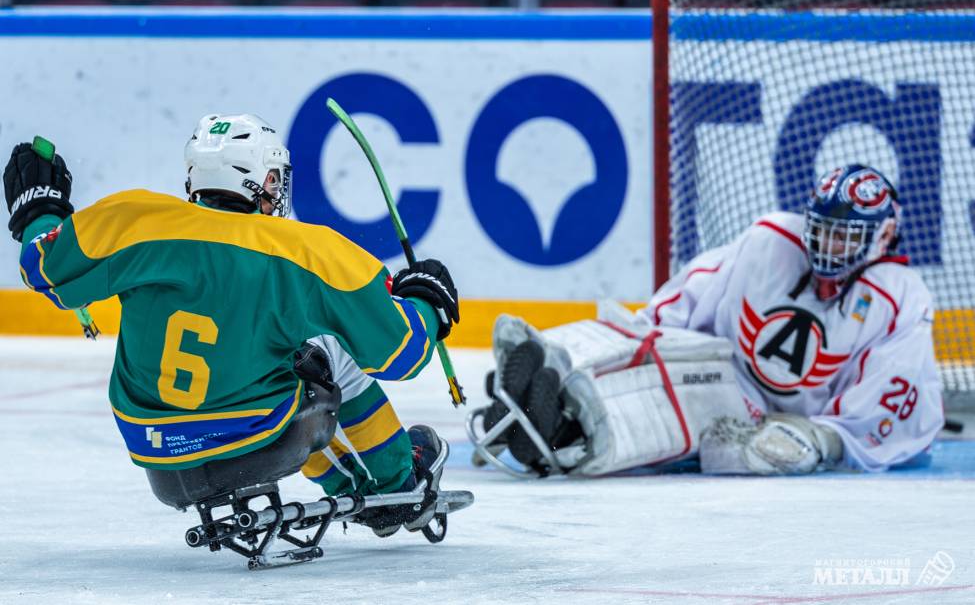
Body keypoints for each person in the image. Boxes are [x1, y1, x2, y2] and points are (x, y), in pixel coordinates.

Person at [6, 113, 460, 534]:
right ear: (258, 180)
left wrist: (38, 208)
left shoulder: (135, 221)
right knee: (331, 354)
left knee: (298, 358)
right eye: (274, 179)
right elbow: (401, 352)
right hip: (259, 440)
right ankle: (398, 484)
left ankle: (358, 482)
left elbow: (42, 265)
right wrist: (425, 302)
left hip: (156, 453)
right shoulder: (306, 252)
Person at [468, 164, 943, 477]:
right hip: (727, 378)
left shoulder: (899, 295)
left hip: (784, 422)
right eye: (822, 230)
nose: (826, 246)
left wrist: (824, 438)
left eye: (843, 237)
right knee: (636, 360)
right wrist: (628, 348)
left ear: (882, 236)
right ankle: (550, 378)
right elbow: (684, 302)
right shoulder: (771, 239)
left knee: (645, 427)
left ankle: (561, 436)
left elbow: (899, 406)